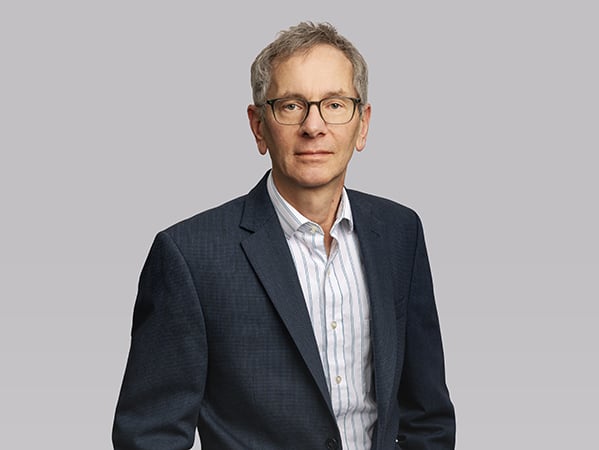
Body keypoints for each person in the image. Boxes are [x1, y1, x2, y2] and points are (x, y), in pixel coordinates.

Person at [112, 21, 456, 450]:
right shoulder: (189, 256)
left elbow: (428, 416)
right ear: (258, 126)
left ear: (363, 124)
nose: (314, 126)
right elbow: (148, 435)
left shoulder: (400, 233)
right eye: (291, 106)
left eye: (335, 104)